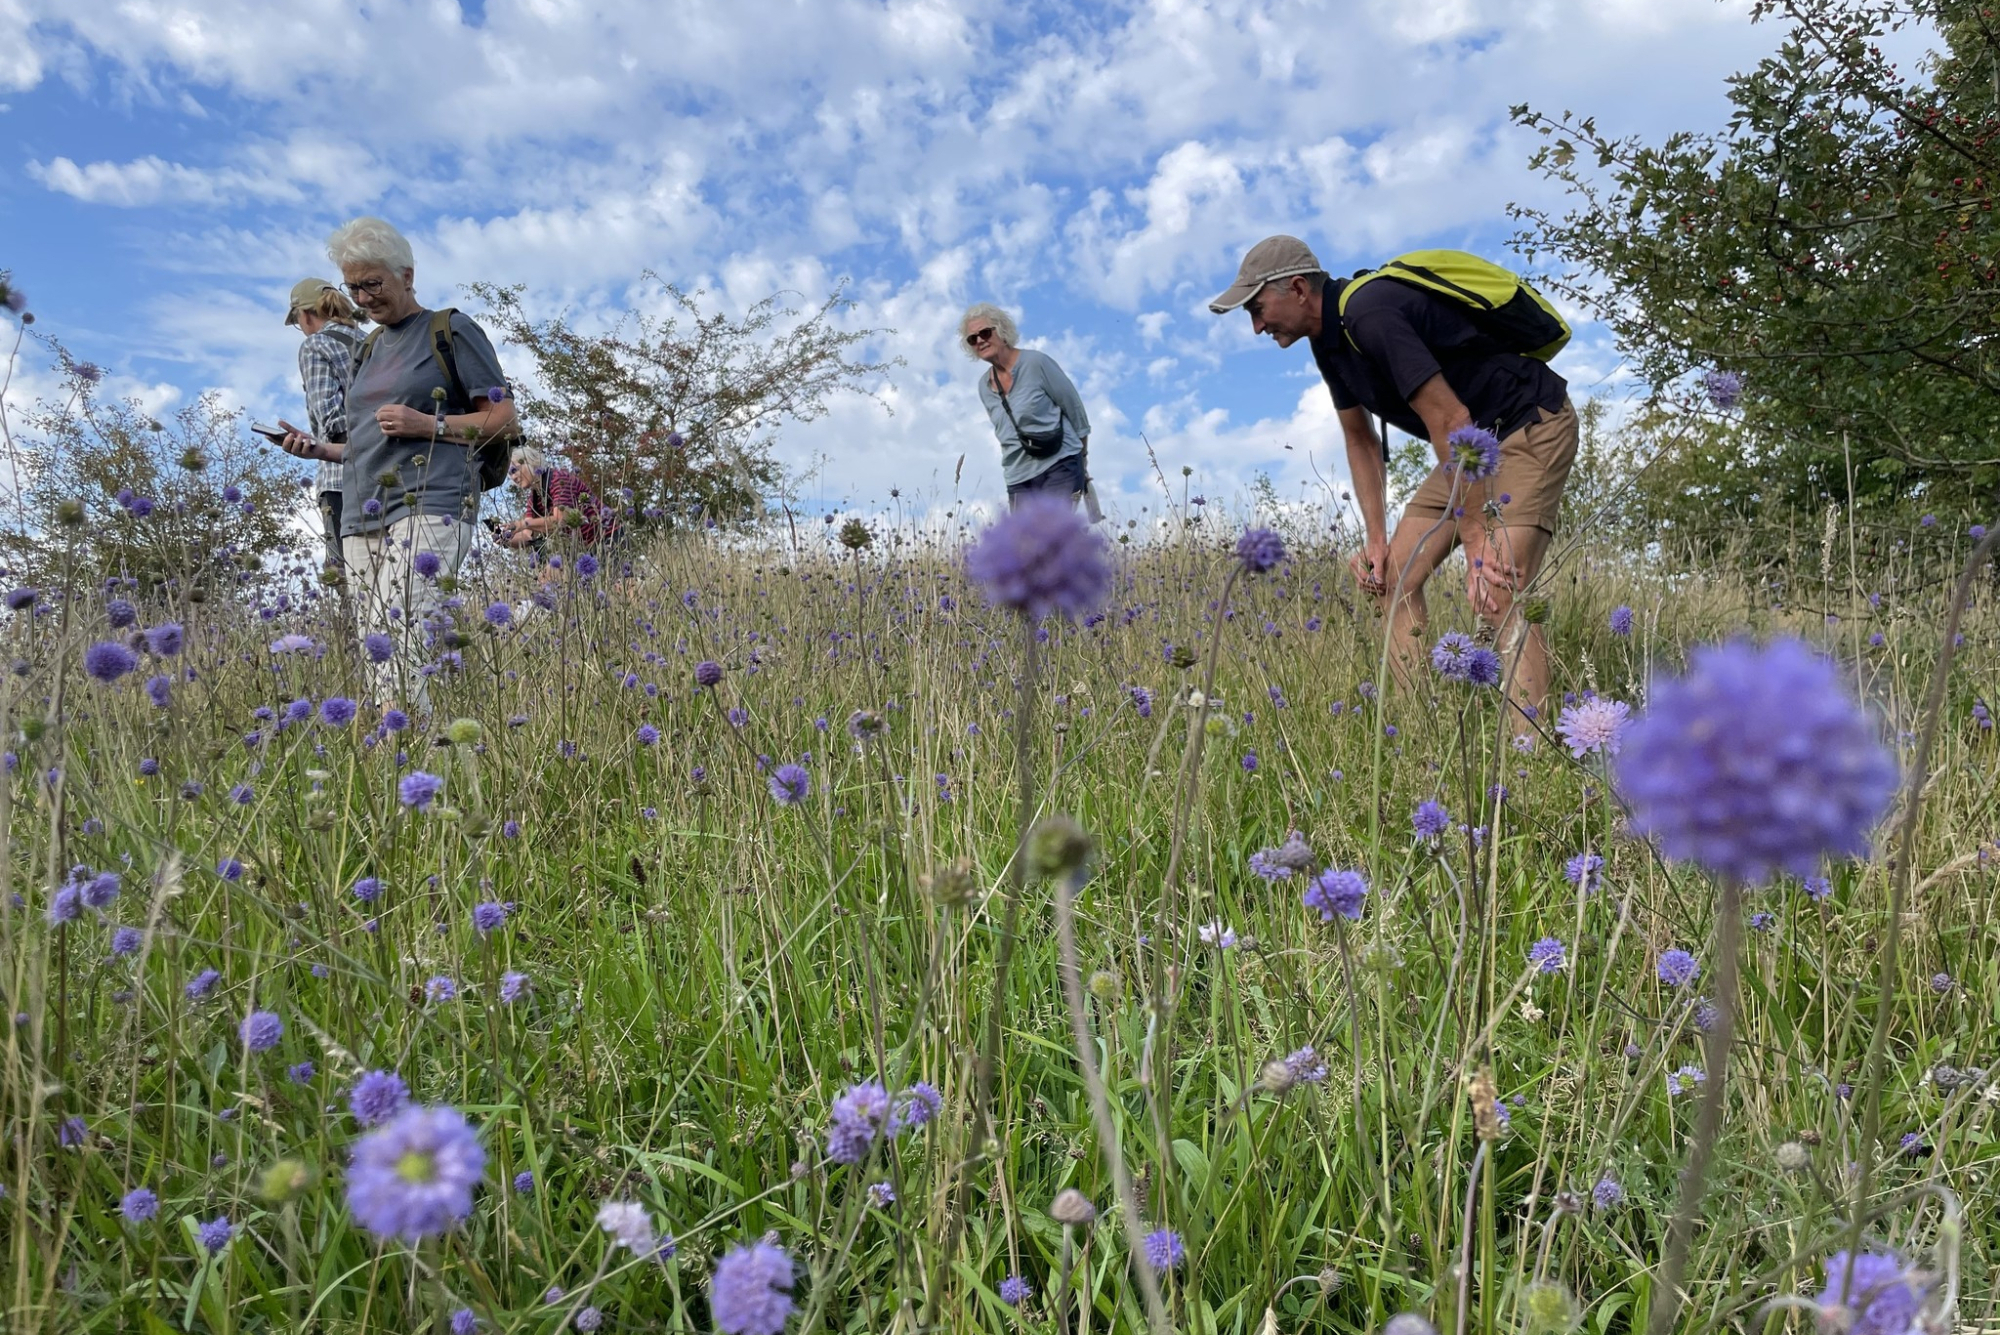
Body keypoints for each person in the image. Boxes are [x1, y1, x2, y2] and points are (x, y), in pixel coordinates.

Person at [1210, 235, 1576, 722]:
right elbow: (1360, 440)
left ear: (1297, 289)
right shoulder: (1329, 344)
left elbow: (1449, 418)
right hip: (1467, 445)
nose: (1257, 326)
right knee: (1389, 579)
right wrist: (1377, 540)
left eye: (1258, 308)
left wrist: (1475, 540)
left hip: (1527, 425)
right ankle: (1418, 734)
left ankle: (1530, 758)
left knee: (1496, 587)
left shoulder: (1370, 314)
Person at [278, 216, 517, 714]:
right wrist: (318, 450)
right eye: (353, 287)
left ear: (406, 275)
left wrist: (427, 424)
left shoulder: (450, 329)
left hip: (432, 501)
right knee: (379, 653)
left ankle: (411, 771)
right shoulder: (366, 347)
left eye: (373, 283)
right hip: (361, 513)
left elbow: (503, 419)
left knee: (404, 646)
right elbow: (368, 440)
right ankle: (413, 764)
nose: (363, 298)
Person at [961, 303, 1097, 512]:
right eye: (972, 339)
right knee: (1025, 544)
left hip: (1061, 464)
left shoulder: (1036, 363)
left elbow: (1074, 409)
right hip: (1018, 477)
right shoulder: (984, 386)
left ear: (1002, 331)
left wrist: (1082, 459)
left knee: (1054, 536)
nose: (979, 340)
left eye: (985, 333)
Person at [282, 278, 365, 572]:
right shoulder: (372, 341)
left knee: (347, 580)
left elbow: (330, 419)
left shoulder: (316, 345)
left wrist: (312, 444)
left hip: (341, 479)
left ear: (305, 315)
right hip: (390, 474)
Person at [498, 444, 612, 550]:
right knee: (549, 570)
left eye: (514, 470)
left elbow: (560, 520)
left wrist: (523, 524)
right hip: (586, 547)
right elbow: (527, 536)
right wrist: (506, 538)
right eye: (510, 474)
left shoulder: (558, 479)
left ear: (531, 462)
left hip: (609, 536)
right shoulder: (534, 498)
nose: (513, 477)